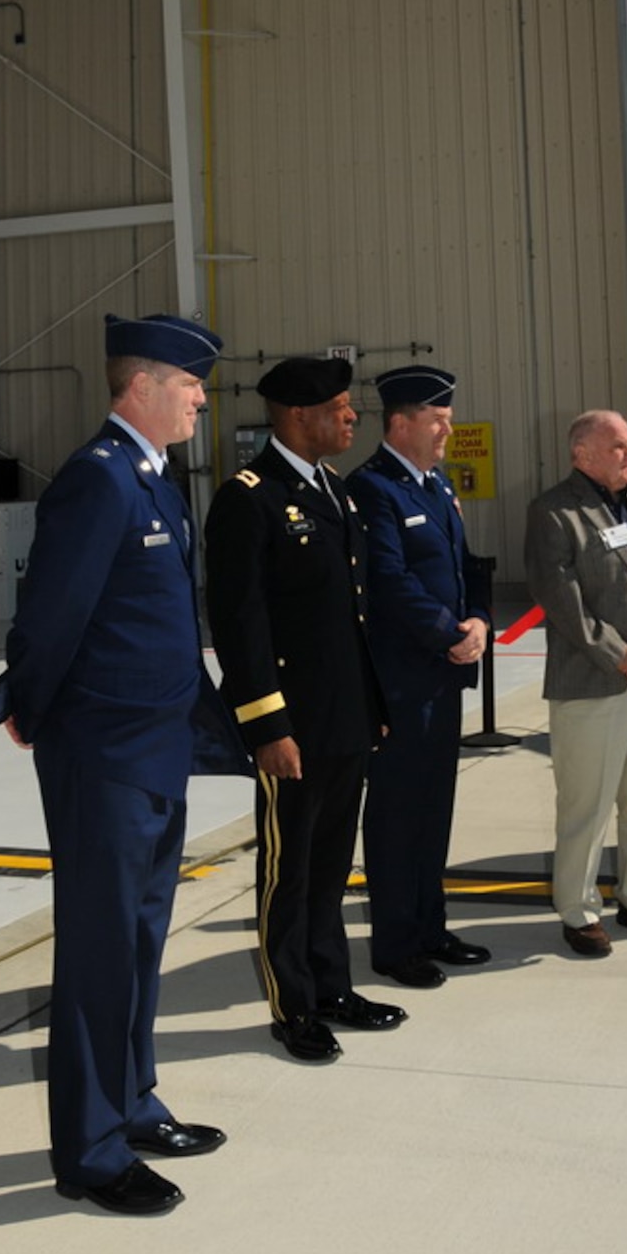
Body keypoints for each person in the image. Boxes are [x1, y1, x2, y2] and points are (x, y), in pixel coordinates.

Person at [0, 312, 250, 1217]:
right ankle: (91, 1153)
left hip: (157, 750)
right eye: (190, 385)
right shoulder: (97, 483)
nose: (202, 400)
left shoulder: (157, 481)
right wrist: (29, 704)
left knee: (137, 943)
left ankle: (134, 1105)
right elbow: (52, 615)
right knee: (98, 952)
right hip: (103, 755)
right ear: (142, 386)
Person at [204, 356, 400, 1066]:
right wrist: (265, 727)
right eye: (341, 408)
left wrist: (370, 706)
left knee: (329, 866)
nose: (352, 418)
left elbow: (349, 619)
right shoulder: (248, 498)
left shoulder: (334, 492)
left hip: (343, 718)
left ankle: (331, 988)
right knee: (287, 874)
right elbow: (240, 625)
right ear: (297, 416)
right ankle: (292, 1008)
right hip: (291, 726)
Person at [524, 411, 627, 957]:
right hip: (591, 681)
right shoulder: (554, 512)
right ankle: (578, 909)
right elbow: (563, 603)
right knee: (587, 805)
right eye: (617, 446)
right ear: (582, 454)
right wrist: (621, 655)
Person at [347, 365, 491, 989]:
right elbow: (387, 582)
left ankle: (431, 926)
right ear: (400, 422)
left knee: (434, 809)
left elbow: (464, 568)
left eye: (449, 423)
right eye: (438, 423)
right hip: (402, 679)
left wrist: (480, 619)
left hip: (442, 677)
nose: (447, 434)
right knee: (397, 813)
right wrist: (449, 633)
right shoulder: (373, 488)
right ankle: (395, 943)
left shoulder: (434, 487)